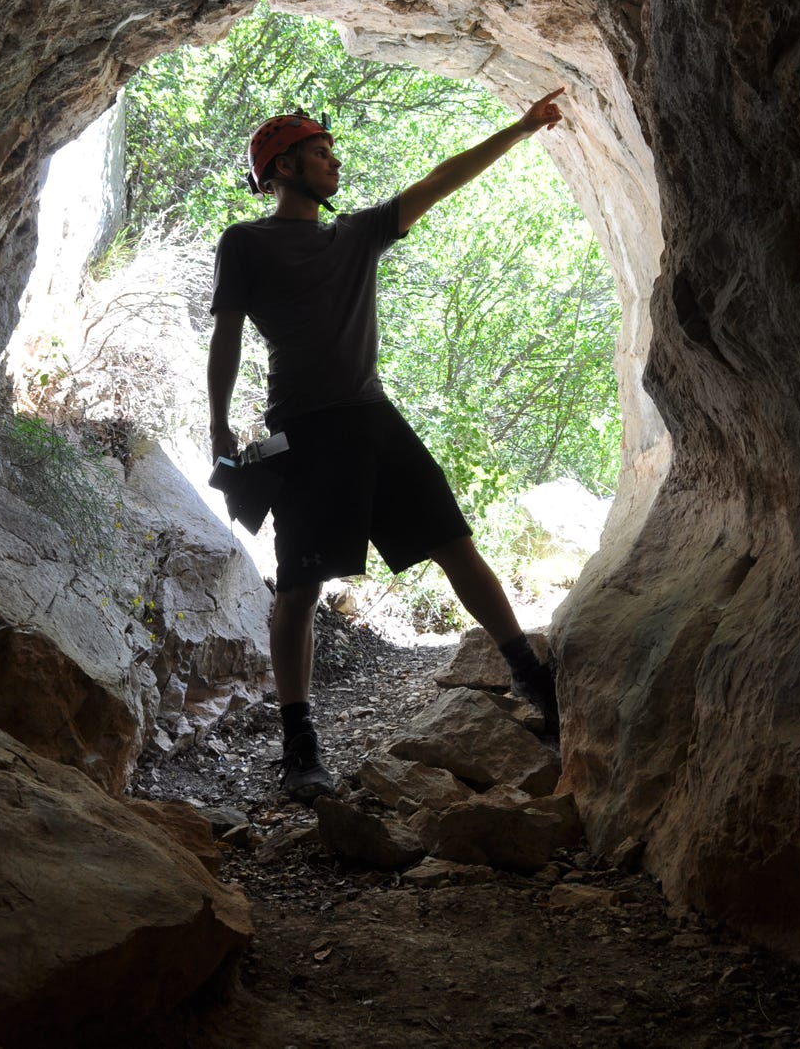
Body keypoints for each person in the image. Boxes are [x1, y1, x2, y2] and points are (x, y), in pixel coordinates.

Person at [208, 88, 565, 803]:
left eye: (330, 150)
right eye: (316, 151)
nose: (331, 161)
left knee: (456, 543)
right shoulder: (244, 242)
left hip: (373, 420)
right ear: (279, 167)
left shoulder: (358, 234)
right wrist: (218, 426)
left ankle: (535, 682)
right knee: (301, 589)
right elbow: (226, 335)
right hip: (303, 433)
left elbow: (439, 180)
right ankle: (300, 745)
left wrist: (522, 130)